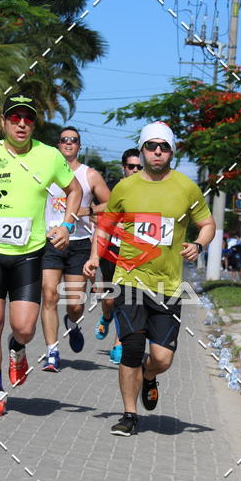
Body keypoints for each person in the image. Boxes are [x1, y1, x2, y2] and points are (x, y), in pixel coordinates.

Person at [84, 121, 216, 437]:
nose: (157, 151)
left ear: (172, 151)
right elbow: (105, 225)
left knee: (162, 358)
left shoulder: (186, 187)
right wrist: (93, 257)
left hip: (168, 286)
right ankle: (129, 415)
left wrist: (198, 244)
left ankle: (149, 375)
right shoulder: (125, 188)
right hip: (129, 280)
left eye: (164, 146)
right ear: (142, 150)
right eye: (151, 146)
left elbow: (208, 224)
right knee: (130, 349)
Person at [0, 95, 81, 416]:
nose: (21, 123)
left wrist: (67, 224)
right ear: (4, 122)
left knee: (23, 328)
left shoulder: (49, 156)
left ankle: (18, 347)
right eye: (15, 118)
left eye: (28, 118)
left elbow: (74, 190)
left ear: (34, 124)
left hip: (29, 254)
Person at [40, 126, 111, 372]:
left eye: (74, 140)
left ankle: (72, 321)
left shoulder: (90, 175)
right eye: (64, 140)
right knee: (49, 295)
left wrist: (86, 211)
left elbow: (111, 205)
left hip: (79, 243)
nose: (69, 143)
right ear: (58, 145)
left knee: (76, 304)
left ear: (79, 146)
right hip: (50, 240)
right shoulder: (45, 172)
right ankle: (52, 352)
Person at [94, 147, 142, 364]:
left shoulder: (149, 191)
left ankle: (119, 343)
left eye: (139, 167)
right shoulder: (115, 190)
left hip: (132, 253)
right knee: (109, 297)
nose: (135, 170)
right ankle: (106, 316)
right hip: (110, 250)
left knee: (125, 298)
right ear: (124, 167)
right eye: (131, 166)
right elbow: (101, 212)